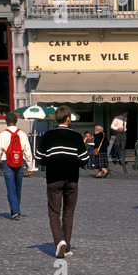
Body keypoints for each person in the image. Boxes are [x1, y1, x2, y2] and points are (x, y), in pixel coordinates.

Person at [35, 106, 89, 258]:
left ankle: (59, 242)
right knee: (68, 213)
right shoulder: (77, 136)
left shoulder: (48, 136)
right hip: (72, 179)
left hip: (54, 179)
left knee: (54, 212)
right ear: (67, 119)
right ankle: (67, 246)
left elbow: (39, 157)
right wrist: (73, 163)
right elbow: (85, 159)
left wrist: (51, 162)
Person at [0, 113, 33, 220]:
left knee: (11, 188)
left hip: (7, 162)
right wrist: (30, 167)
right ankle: (16, 210)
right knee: (18, 188)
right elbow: (27, 151)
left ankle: (15, 212)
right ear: (16, 121)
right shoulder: (22, 134)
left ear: (6, 121)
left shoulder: (3, 134)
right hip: (20, 162)